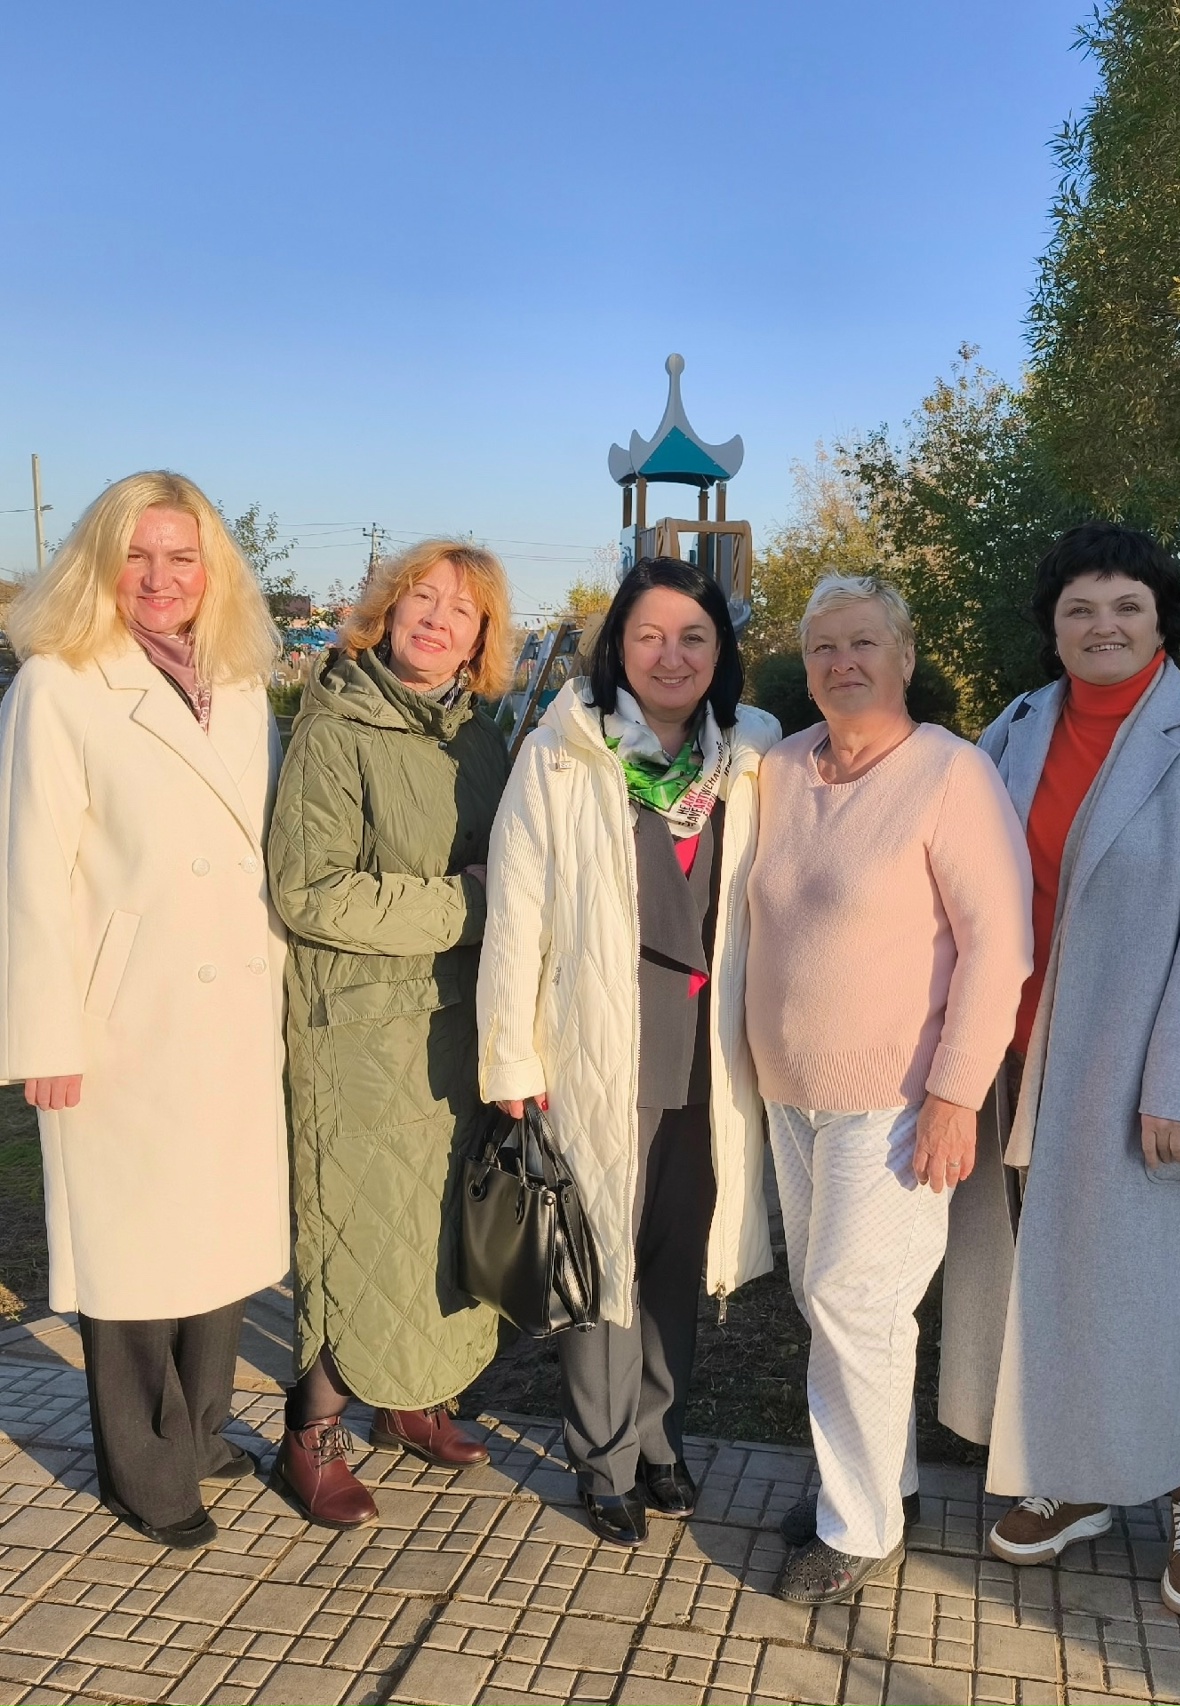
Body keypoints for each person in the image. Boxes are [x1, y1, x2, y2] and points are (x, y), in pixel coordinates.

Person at [939, 522, 1180, 1619]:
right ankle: (1077, 1478)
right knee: (1048, 1275)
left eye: (1126, 606)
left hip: (1140, 1070)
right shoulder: (1015, 727)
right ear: (1051, 626)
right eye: (1079, 608)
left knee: (1153, 1287)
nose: (1103, 626)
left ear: (1159, 618)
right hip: (1019, 1057)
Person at [0, 471, 289, 1548]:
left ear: (213, 569)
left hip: (233, 1006)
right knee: (130, 1250)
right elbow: (29, 872)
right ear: (99, 562)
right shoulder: (59, 682)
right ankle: (144, 1469)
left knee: (215, 1241)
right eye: (136, 555)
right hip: (123, 1016)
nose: (160, 579)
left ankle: (201, 1426)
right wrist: (42, 1033)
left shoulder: (242, 680)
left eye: (181, 557)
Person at [476, 557, 779, 1548]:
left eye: (693, 636)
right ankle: (600, 1456)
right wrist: (510, 1060)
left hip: (707, 1054)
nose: (670, 655)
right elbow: (515, 914)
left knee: (674, 1256)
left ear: (720, 651)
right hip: (595, 1039)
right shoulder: (563, 755)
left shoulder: (751, 755)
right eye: (649, 635)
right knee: (599, 1247)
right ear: (617, 646)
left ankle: (659, 1438)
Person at [745, 573, 1032, 1605]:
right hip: (790, 1089)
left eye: (863, 642)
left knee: (852, 1297)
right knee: (838, 1305)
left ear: (904, 656)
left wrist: (956, 1093)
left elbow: (999, 945)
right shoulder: (781, 767)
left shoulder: (951, 773)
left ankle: (858, 1528)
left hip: (898, 1095)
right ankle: (876, 1479)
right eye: (823, 647)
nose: (842, 663)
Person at [266, 540, 512, 1528]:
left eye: (463, 609)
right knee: (359, 1230)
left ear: (481, 638)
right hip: (362, 1033)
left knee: (440, 1226)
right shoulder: (336, 726)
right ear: (388, 607)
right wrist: (468, 905)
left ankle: (413, 1397)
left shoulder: (480, 735)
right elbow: (308, 891)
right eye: (423, 597)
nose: (438, 619)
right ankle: (311, 1428)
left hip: (460, 1023)